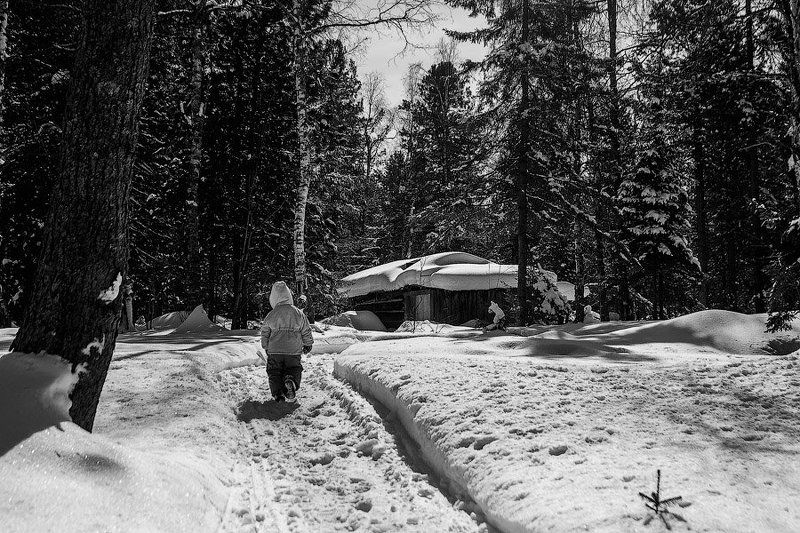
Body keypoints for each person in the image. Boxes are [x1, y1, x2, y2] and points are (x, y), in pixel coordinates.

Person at [260, 281, 313, 402]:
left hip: (275, 350)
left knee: (274, 371)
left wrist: (265, 346)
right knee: (294, 367)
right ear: (289, 295)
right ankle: (291, 380)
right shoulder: (298, 313)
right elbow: (306, 329)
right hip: (293, 350)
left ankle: (278, 393)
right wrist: (308, 343)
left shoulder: (271, 314)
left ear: (273, 298)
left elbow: (265, 332)